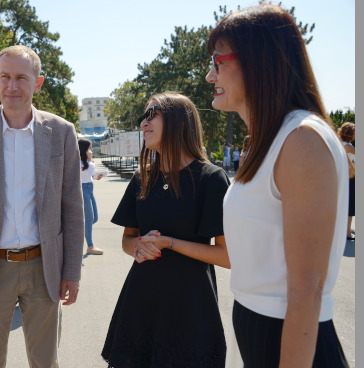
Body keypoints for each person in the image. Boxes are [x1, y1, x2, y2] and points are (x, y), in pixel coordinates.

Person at [206, 4, 349, 366]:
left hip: (290, 342)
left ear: (257, 62)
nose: (210, 75)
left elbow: (306, 290)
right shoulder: (266, 140)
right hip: (260, 333)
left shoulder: (302, 139)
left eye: (218, 62)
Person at [0, 45, 84, 367]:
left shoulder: (61, 132)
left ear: (38, 82)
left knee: (45, 362)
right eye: (5, 77)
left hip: (44, 266)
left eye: (21, 78)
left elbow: (73, 208)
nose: (12, 86)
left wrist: (72, 272)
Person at [101, 91, 230, 367]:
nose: (143, 124)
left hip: (191, 307)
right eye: (142, 117)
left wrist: (169, 242)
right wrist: (139, 245)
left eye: (152, 114)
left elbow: (226, 256)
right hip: (141, 302)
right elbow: (127, 240)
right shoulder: (142, 176)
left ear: (179, 121)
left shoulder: (211, 178)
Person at [78, 138, 104, 255]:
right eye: (90, 148)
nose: (92, 150)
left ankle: (81, 231)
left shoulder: (85, 162)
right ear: (84, 149)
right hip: (83, 189)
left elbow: (89, 174)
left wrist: (95, 177)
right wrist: (90, 159)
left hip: (89, 187)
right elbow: (88, 171)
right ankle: (90, 245)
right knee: (89, 219)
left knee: (94, 218)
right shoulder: (78, 162)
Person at [338, 122, 355, 240]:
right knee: (350, 206)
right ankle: (348, 233)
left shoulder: (340, 144)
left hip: (343, 176)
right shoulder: (349, 147)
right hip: (351, 177)